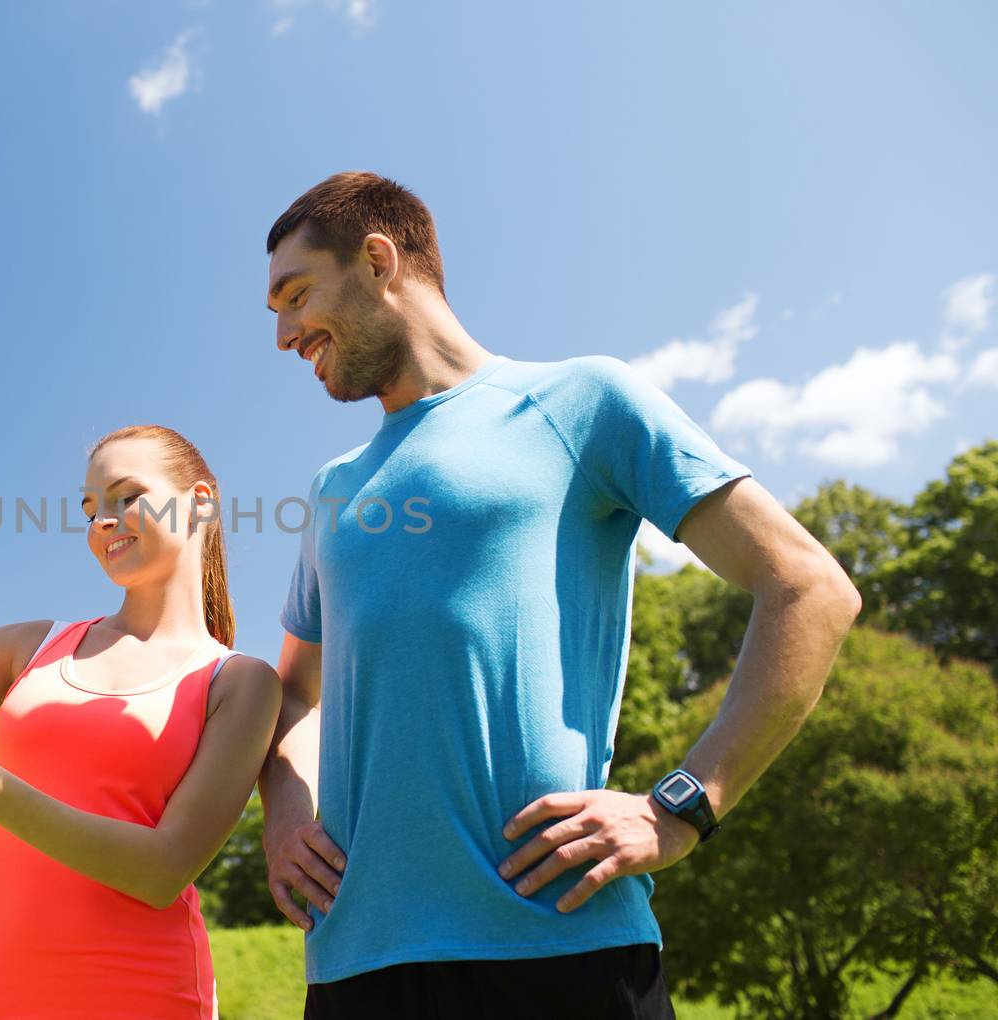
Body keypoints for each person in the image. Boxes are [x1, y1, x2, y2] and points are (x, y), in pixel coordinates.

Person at [257, 172, 861, 1019]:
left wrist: (683, 805)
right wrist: (285, 811)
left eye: (296, 295)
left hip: (563, 948)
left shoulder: (580, 401)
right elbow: (291, 693)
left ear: (379, 259)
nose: (284, 334)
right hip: (356, 961)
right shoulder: (333, 487)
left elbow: (809, 587)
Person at [0, 425, 282, 1020]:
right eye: (90, 509)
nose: (101, 523)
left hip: (143, 992)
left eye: (126, 496)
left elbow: (164, 870)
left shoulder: (240, 682)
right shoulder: (35, 647)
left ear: (200, 501)